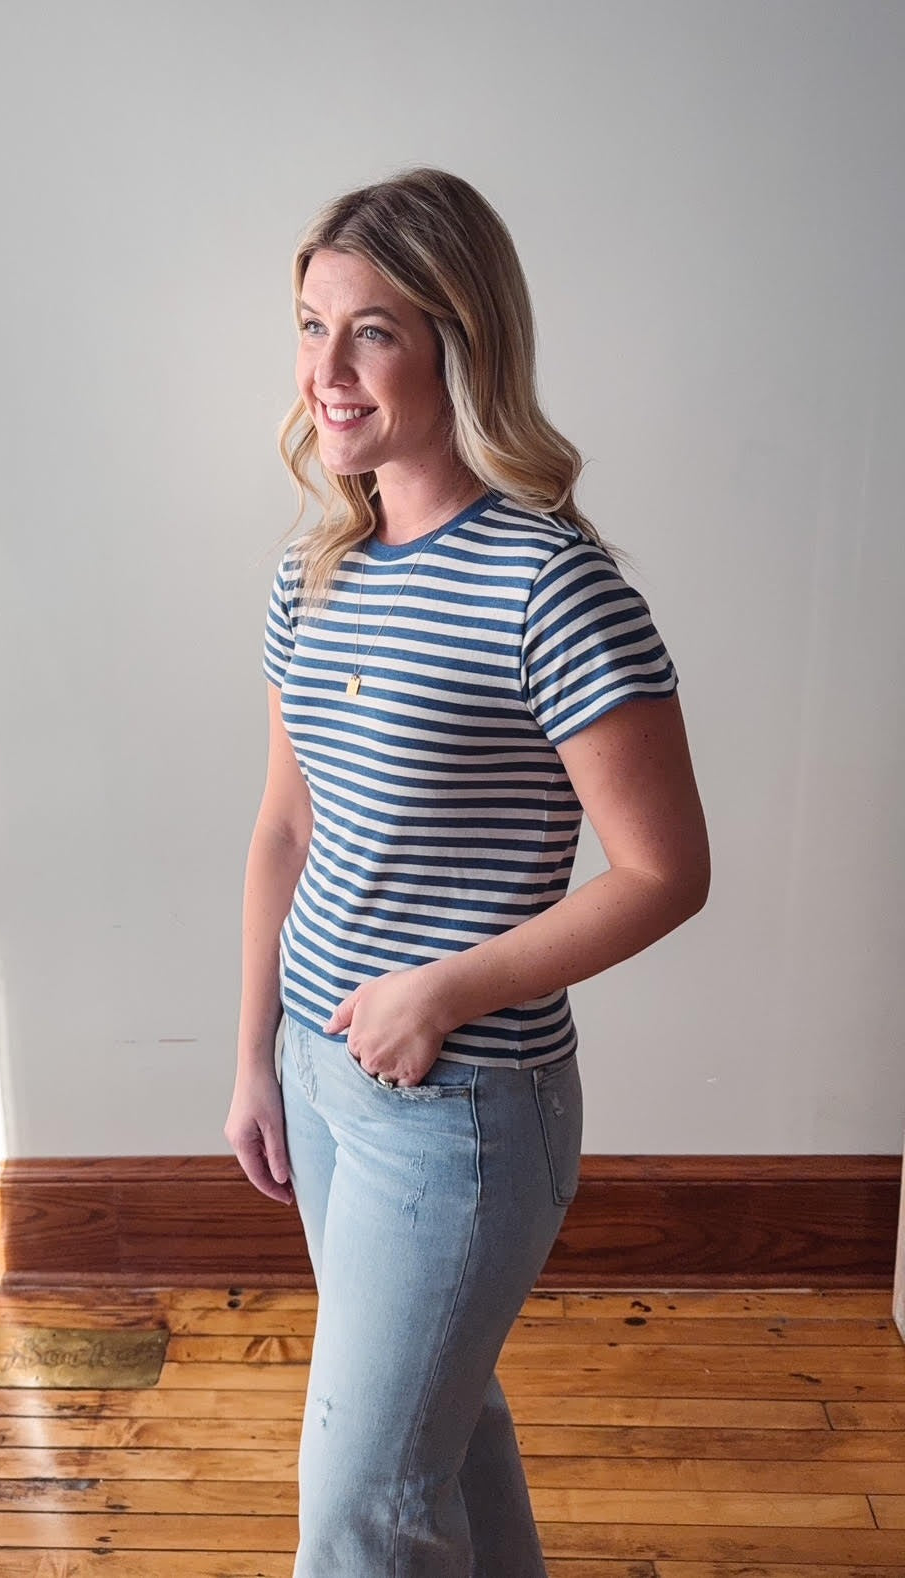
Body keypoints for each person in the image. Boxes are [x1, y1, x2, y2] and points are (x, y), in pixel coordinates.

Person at [225, 166, 710, 1578]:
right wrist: (255, 1054)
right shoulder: (311, 573)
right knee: (438, 1437)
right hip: (321, 1080)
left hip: (461, 1115)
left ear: (459, 339)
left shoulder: (550, 584)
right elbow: (282, 830)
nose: (327, 368)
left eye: (371, 329)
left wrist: (442, 991)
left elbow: (666, 869)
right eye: (311, 324)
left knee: (360, 1509)